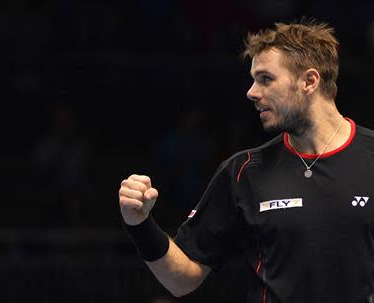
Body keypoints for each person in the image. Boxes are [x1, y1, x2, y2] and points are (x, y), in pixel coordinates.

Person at [118, 19, 374, 303]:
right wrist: (140, 224)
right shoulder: (242, 172)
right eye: (254, 79)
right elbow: (182, 280)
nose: (251, 92)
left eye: (266, 79)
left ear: (309, 81)